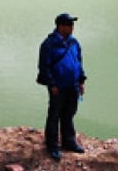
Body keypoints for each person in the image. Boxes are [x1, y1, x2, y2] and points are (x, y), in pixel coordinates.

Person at [37, 12, 87, 161]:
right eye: (69, 25)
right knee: (54, 115)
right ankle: (52, 145)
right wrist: (52, 84)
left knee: (69, 114)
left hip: (72, 85)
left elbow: (78, 62)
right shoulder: (49, 44)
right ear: (60, 26)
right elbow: (44, 67)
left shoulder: (74, 43)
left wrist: (81, 80)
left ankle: (69, 142)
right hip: (58, 86)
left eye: (72, 24)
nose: (72, 27)